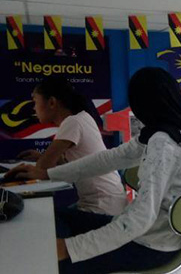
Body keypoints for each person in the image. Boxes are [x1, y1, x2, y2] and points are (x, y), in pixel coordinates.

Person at [7, 68, 181, 274]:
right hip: (149, 235)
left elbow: (139, 220)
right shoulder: (164, 133)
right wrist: (48, 174)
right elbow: (107, 159)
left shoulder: (165, 144)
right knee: (56, 217)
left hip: (152, 247)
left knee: (47, 271)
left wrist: (69, 248)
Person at [16, 77, 127, 216]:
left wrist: (39, 162)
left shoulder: (72, 123)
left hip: (102, 208)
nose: (34, 108)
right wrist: (42, 157)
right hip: (111, 203)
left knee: (44, 219)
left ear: (52, 102)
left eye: (35, 102)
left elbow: (42, 168)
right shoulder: (82, 117)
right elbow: (70, 170)